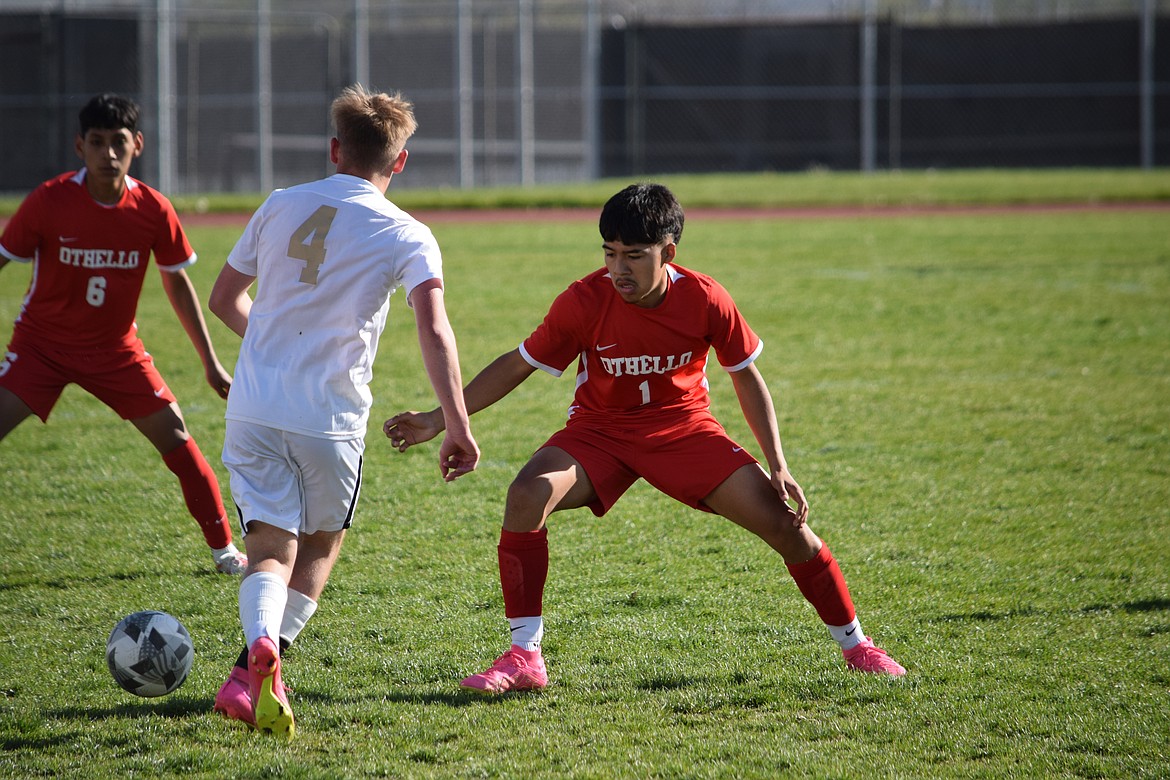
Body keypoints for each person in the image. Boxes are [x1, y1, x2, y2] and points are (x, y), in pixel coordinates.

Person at [385, 182, 906, 693]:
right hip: (600, 433)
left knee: (786, 527)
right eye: (610, 253)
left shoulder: (705, 297)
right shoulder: (585, 300)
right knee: (526, 495)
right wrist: (439, 419)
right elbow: (518, 364)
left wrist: (778, 463)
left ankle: (857, 646)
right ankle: (525, 656)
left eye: (633, 255)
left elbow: (746, 376)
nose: (618, 269)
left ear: (669, 252)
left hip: (684, 431)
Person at [208, 84, 480, 738]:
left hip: (253, 406)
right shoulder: (407, 233)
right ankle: (253, 668)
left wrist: (274, 350)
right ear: (402, 161)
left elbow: (223, 299)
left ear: (334, 150)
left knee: (268, 547)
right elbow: (435, 331)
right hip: (328, 416)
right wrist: (458, 425)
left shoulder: (279, 205)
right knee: (323, 543)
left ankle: (254, 660)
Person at [0, 93, 247, 576]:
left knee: (180, 442)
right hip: (41, 350)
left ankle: (224, 552)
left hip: (116, 351)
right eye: (97, 142)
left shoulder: (153, 209)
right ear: (79, 146)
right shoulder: (49, 201)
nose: (108, 154)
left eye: (118, 143)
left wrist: (210, 361)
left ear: (138, 145)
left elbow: (177, 282)